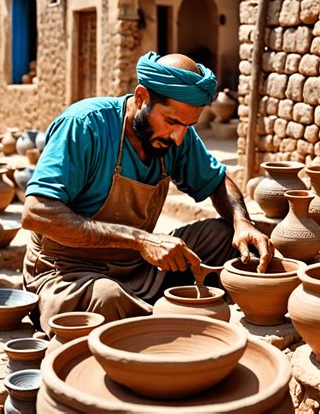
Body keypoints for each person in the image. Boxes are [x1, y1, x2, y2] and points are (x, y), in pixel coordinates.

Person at [21, 51, 274, 335]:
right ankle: (158, 320)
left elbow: (217, 181)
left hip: (140, 266)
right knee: (108, 299)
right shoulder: (86, 125)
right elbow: (36, 213)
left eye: (188, 126)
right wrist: (141, 240)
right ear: (142, 98)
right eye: (172, 122)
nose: (179, 136)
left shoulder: (177, 136)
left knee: (224, 236)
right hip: (69, 272)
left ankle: (153, 315)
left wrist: (242, 222)